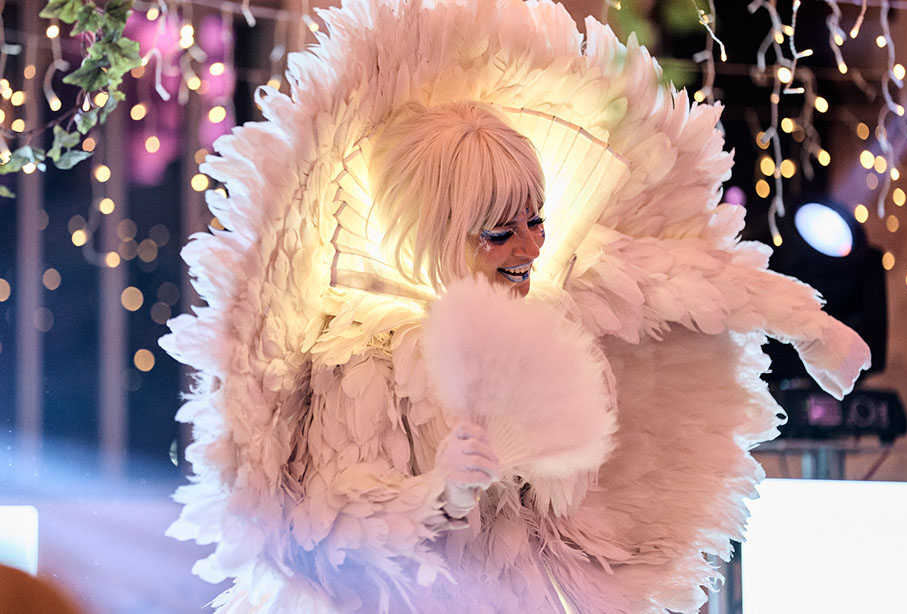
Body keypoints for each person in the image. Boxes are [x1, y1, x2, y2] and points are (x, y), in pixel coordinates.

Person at [162, 0, 870, 611]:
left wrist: (805, 323)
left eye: (536, 220)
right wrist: (443, 489)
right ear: (434, 234)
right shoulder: (367, 360)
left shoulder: (557, 305)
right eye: (498, 232)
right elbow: (327, 518)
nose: (528, 246)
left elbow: (677, 277)